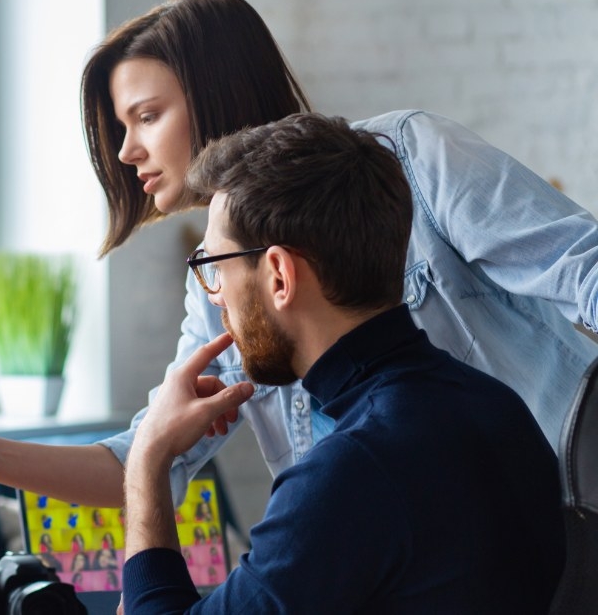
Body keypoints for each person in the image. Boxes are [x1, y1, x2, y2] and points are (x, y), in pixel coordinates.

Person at [0, 0, 598, 511]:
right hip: (406, 569)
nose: (127, 150)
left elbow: (585, 270)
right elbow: (148, 460)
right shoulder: (218, 285)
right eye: (121, 127)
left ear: (217, 95)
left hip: (558, 518)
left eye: (146, 116)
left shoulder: (411, 158)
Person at [119, 112, 563, 613]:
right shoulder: (496, 405)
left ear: (279, 275)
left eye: (216, 267)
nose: (216, 297)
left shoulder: (352, 472)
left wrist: (149, 456)